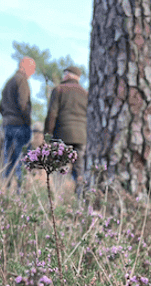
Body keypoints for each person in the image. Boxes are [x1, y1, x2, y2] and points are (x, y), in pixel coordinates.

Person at [44, 65, 88, 193]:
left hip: (62, 135)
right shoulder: (85, 93)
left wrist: (48, 135)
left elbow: (52, 114)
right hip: (81, 137)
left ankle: (58, 199)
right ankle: (81, 198)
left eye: (65, 73)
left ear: (68, 75)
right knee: (80, 170)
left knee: (59, 169)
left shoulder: (59, 90)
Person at [0, 57, 36, 186]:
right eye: (32, 68)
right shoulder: (22, 81)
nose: (33, 72)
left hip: (7, 125)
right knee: (21, 161)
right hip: (20, 126)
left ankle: (5, 190)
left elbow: (1, 107)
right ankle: (21, 194)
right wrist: (27, 123)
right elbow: (23, 105)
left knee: (8, 161)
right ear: (23, 66)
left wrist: (7, 118)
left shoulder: (9, 82)